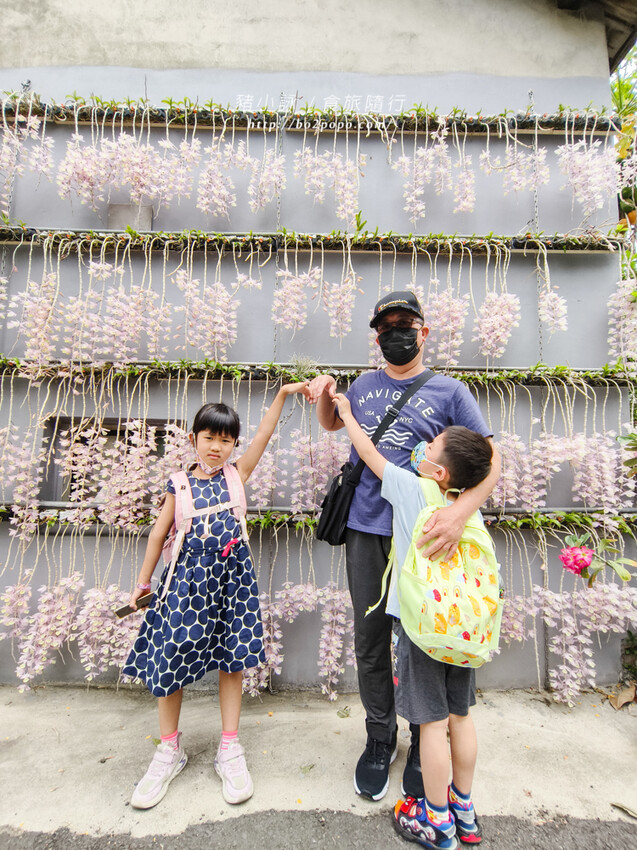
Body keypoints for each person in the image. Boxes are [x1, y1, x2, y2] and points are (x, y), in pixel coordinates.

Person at [306, 290, 500, 802]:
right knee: (370, 638)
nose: (395, 332)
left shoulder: (451, 392)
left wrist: (459, 513)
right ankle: (378, 737)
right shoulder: (366, 383)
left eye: (404, 323)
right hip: (367, 528)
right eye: (386, 326)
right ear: (377, 336)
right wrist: (327, 390)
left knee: (421, 640)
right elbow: (332, 423)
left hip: (427, 538)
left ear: (423, 331)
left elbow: (490, 460)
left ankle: (424, 740)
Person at [122, 382, 308, 810]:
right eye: (209, 438)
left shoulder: (236, 475)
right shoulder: (179, 485)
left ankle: (229, 746)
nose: (217, 447)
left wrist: (283, 394)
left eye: (226, 440)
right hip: (184, 584)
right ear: (193, 439)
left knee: (233, 659)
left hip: (232, 583)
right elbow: (158, 535)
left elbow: (264, 434)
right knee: (169, 657)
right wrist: (143, 582)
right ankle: (170, 748)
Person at [334, 391, 493, 848]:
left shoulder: (410, 487)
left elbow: (367, 451)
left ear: (437, 470)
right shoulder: (465, 507)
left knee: (430, 723)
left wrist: (346, 412)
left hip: (424, 628)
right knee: (460, 718)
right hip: (464, 628)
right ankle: (465, 811)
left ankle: (437, 820)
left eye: (431, 444)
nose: (421, 447)